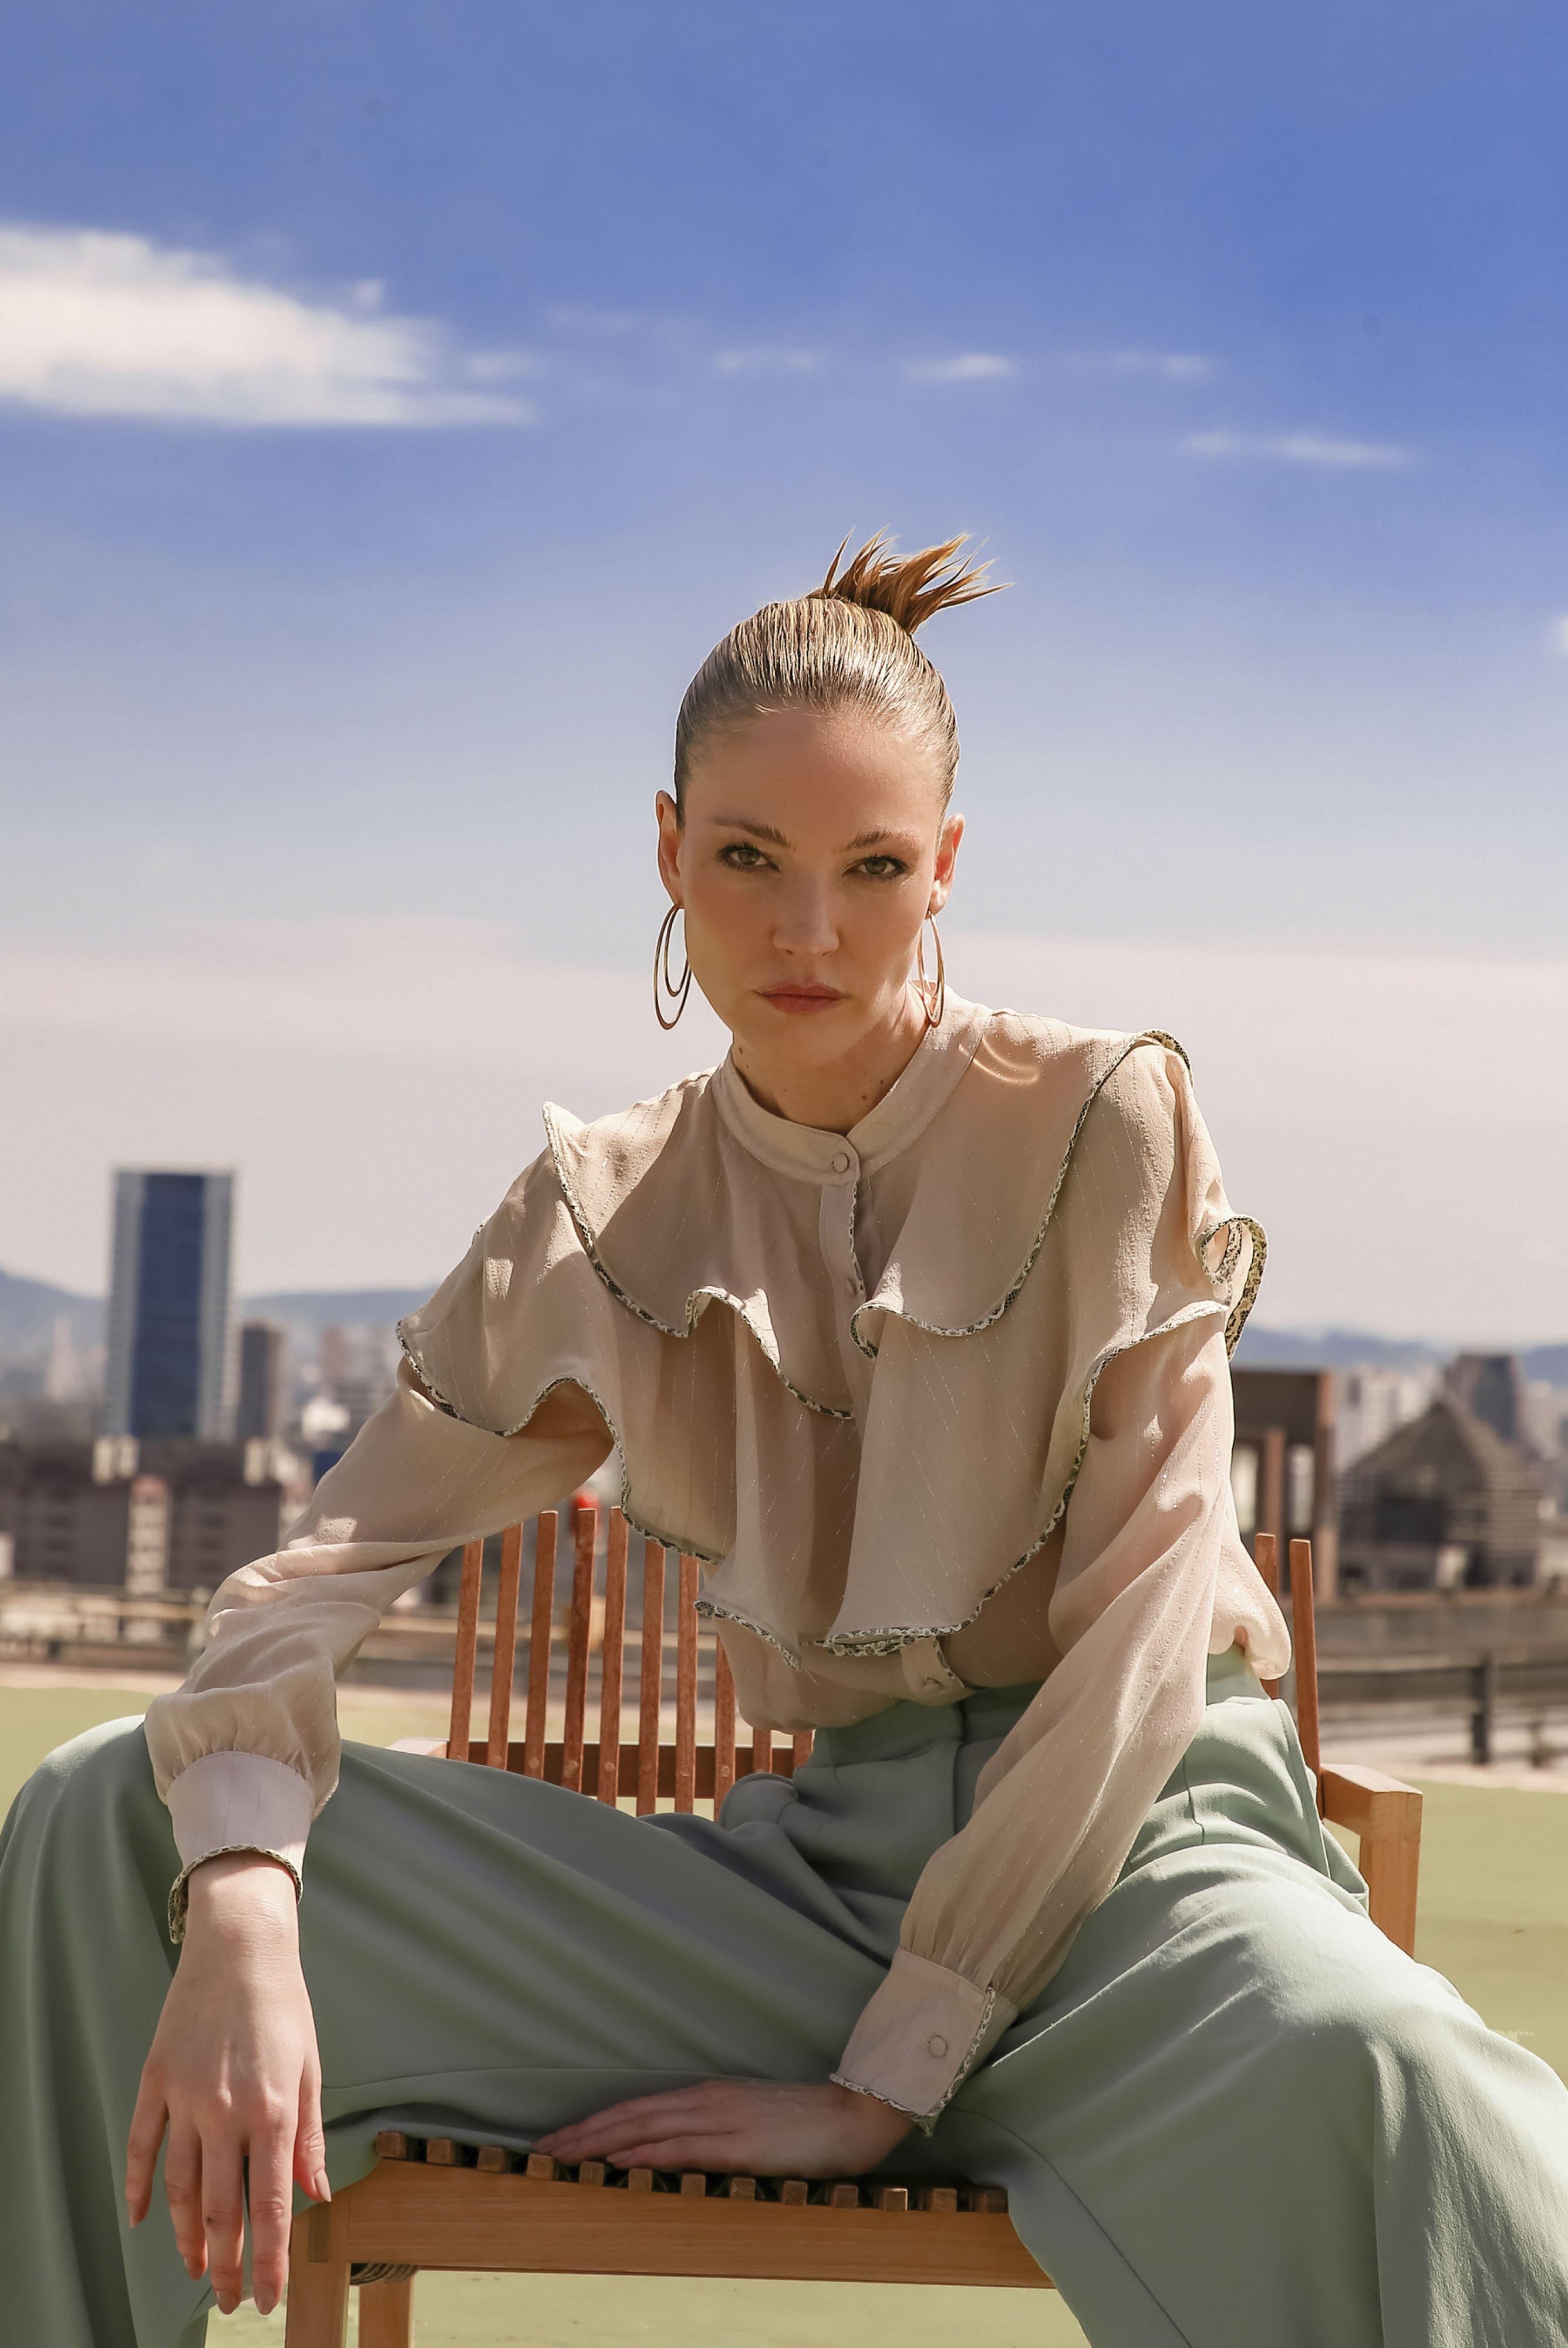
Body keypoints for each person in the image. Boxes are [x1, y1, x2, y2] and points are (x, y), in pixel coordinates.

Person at [5, 537, 1568, 2348]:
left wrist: (885, 2082)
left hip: (1147, 1881)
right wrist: (249, 1900)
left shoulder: (1105, 1118)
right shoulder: (602, 1210)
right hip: (813, 1894)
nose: (808, 931)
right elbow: (323, 1564)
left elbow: (1145, 1647)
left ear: (947, 873)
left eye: (871, 867)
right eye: (749, 860)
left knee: (1393, 2072)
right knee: (110, 1821)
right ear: (667, 847)